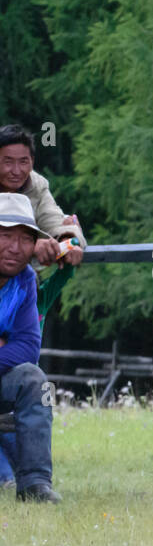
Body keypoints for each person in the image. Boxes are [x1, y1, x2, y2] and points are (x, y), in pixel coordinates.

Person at [0, 194, 60, 502]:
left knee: (34, 379)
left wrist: (9, 344)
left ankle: (35, 483)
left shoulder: (24, 280)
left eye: (25, 239)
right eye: (6, 235)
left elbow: (26, 348)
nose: (15, 247)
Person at [0, 125, 85, 268]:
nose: (16, 171)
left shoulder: (36, 186)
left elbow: (52, 219)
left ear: (32, 161)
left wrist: (68, 240)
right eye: (8, 162)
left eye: (23, 162)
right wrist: (31, 245)